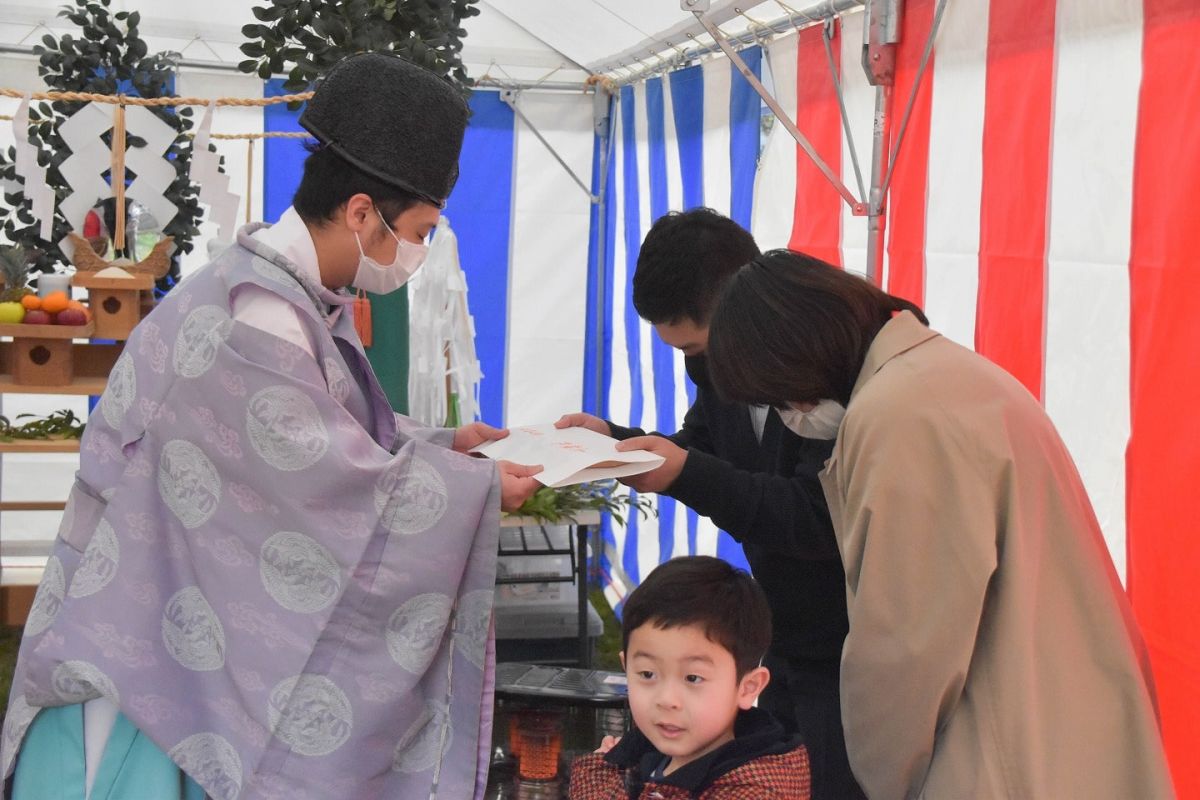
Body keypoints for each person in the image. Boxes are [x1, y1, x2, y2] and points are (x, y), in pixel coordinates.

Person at [1, 53, 542, 800]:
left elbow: (334, 434)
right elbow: (324, 483)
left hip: (165, 615)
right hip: (142, 648)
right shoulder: (258, 317)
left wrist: (451, 447)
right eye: (417, 232)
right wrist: (476, 492)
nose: (416, 256)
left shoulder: (280, 292)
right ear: (360, 213)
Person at [705, 249, 1176, 799]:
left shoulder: (898, 414)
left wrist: (879, 773)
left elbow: (905, 647)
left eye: (778, 396)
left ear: (796, 357)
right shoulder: (943, 374)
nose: (790, 417)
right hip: (1062, 722)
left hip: (1002, 753)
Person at [557, 208, 861, 799]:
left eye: (699, 346)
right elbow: (702, 448)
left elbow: (812, 515)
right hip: (783, 637)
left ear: (745, 304)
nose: (697, 365)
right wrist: (618, 444)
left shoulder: (821, 369)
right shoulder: (711, 365)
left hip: (846, 650)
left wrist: (685, 473)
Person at [569, 556, 810, 799]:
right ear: (626, 668)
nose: (667, 699)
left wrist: (598, 778)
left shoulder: (757, 791)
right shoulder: (645, 756)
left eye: (693, 678)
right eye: (647, 674)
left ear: (748, 688)